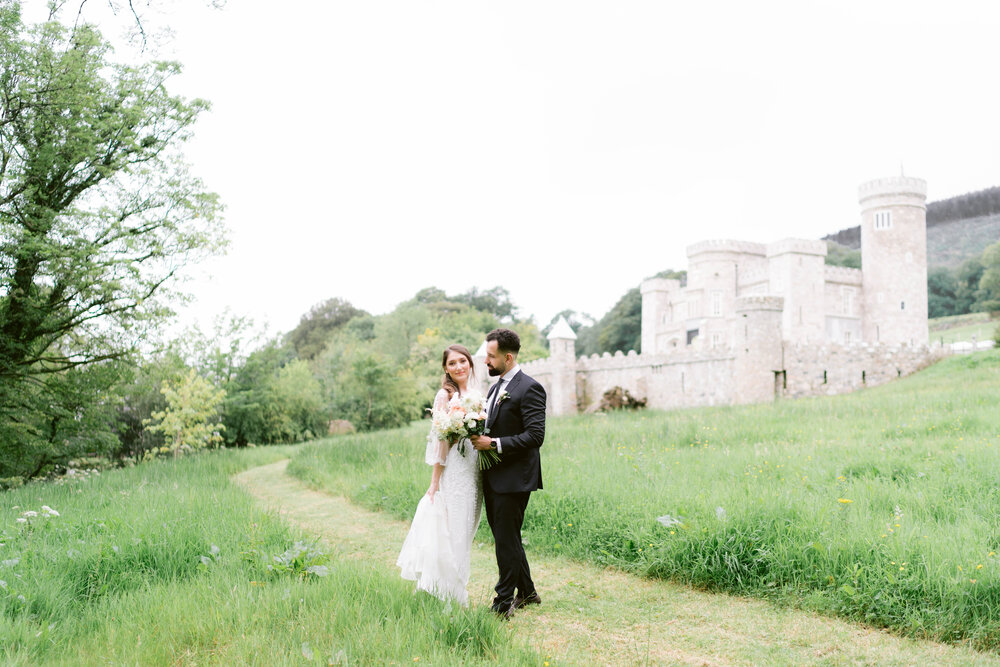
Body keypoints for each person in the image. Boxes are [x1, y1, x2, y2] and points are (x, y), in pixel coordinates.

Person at [396, 344, 484, 606]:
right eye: (452, 363)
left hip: (475, 471)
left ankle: (452, 586)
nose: (458, 367)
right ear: (446, 368)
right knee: (454, 531)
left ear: (470, 363)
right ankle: (452, 596)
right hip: (455, 471)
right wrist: (435, 482)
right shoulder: (445, 396)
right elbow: (441, 441)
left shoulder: (478, 394)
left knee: (468, 529)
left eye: (462, 361)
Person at [472, 328, 546, 619]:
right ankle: (527, 592)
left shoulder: (530, 388)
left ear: (508, 356)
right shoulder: (494, 388)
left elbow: (535, 436)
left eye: (491, 357)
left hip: (515, 478)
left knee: (505, 540)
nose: (486, 362)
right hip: (494, 476)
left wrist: (494, 444)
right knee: (508, 537)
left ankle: (502, 604)